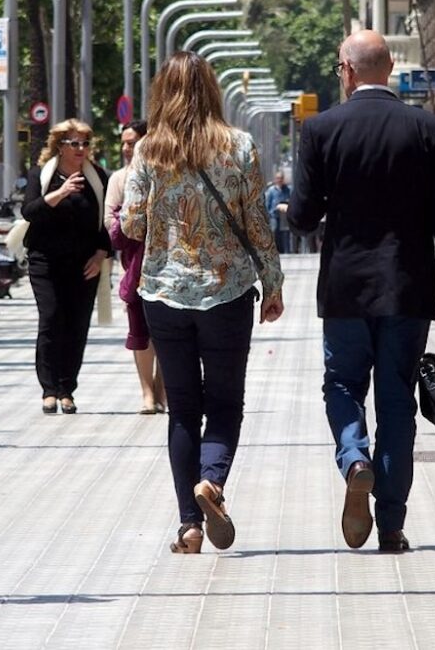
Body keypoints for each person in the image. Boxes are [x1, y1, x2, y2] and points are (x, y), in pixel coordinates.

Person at [287, 30, 435, 553]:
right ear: (388, 68)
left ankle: (354, 458)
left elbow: (302, 219)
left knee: (342, 386)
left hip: (345, 290)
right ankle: (391, 525)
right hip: (409, 291)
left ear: (346, 70)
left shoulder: (322, 128)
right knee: (396, 403)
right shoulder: (429, 129)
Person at [122, 51, 284, 555]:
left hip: (165, 297)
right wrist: (273, 283)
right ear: (212, 90)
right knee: (225, 405)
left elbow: (130, 224)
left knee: (183, 411)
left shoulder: (148, 150)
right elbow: (256, 221)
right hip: (227, 293)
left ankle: (189, 526)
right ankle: (211, 480)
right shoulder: (240, 146)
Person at [22, 119, 111, 415]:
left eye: (85, 143)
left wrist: (100, 256)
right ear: (59, 145)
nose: (81, 149)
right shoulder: (41, 176)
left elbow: (104, 225)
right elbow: (29, 212)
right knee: (50, 319)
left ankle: (66, 389)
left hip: (83, 265)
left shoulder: (97, 178)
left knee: (76, 326)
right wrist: (60, 194)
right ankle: (49, 389)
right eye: (74, 143)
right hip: (45, 261)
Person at [105, 121, 165, 414]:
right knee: (140, 332)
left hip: (169, 268)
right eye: (125, 143)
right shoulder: (119, 179)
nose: (128, 148)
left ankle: (162, 388)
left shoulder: (167, 172)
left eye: (133, 142)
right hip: (135, 269)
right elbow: (110, 223)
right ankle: (147, 394)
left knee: (167, 333)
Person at [264, 170, 293, 253]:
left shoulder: (287, 189)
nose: (279, 180)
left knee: (285, 234)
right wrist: (269, 213)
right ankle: (275, 251)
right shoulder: (271, 191)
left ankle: (286, 251)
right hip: (274, 216)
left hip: (284, 216)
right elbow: (267, 204)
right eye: (278, 178)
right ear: (275, 179)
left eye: (281, 178)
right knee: (275, 232)